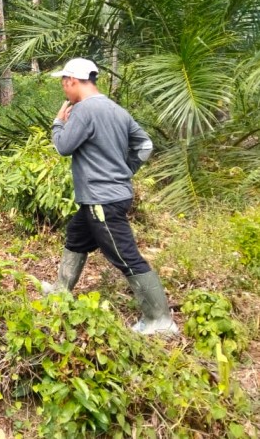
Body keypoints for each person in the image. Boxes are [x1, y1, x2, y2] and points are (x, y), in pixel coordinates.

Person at [45, 57, 178, 336]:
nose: (63, 88)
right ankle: (60, 291)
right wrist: (124, 171)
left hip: (101, 198)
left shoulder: (83, 110)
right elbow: (145, 144)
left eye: (63, 82)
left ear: (72, 81)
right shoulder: (116, 110)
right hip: (109, 195)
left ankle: (160, 320)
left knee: (125, 255)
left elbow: (64, 147)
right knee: (77, 236)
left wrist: (58, 122)